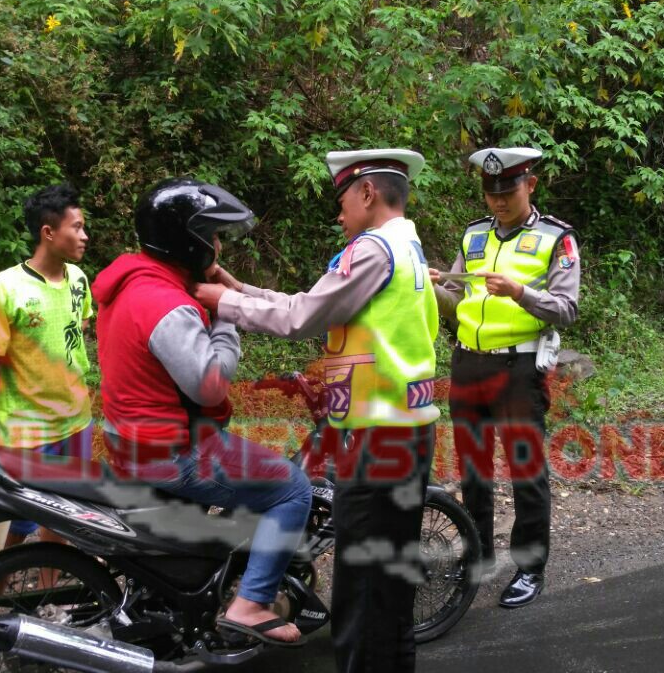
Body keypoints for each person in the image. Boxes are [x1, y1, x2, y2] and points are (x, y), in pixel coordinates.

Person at [194, 149, 439, 673]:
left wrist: (221, 302)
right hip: (403, 434)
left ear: (368, 194)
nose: (339, 214)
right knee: (388, 591)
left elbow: (302, 316)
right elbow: (317, 304)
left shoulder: (371, 248)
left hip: (377, 440)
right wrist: (242, 290)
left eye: (343, 200)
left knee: (362, 593)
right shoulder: (407, 245)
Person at [92, 178, 314, 646]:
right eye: (211, 236)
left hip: (133, 437)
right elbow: (211, 384)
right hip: (172, 450)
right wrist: (228, 315)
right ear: (185, 239)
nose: (216, 245)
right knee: (292, 487)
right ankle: (251, 604)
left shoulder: (136, 279)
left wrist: (222, 295)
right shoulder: (166, 304)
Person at [430, 146, 581, 609]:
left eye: (508, 191)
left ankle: (530, 567)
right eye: (491, 193)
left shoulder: (557, 238)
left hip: (519, 369)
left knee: (524, 471)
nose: (498, 202)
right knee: (474, 470)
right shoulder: (474, 236)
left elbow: (567, 308)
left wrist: (520, 292)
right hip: (469, 363)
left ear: (530, 185)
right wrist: (435, 285)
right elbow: (456, 299)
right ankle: (478, 556)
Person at [0, 182, 94, 658]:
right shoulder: (3, 289)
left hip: (76, 424)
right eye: (76, 227)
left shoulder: (80, 281)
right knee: (13, 527)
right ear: (49, 232)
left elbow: (76, 340)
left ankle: (50, 603)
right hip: (24, 431)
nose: (84, 235)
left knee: (61, 520)